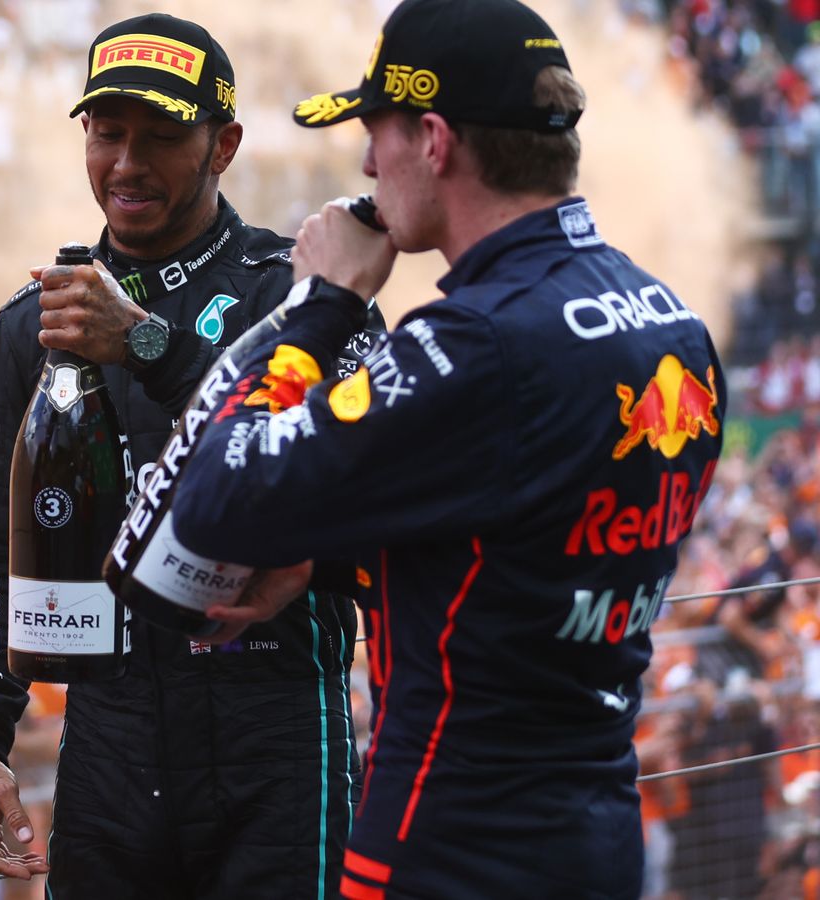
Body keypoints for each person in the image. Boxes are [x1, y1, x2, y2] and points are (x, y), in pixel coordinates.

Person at [168, 0, 726, 896]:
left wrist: (323, 308)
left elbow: (214, 502)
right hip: (597, 838)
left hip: (448, 848)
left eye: (373, 131)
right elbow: (517, 533)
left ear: (433, 140)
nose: (362, 163)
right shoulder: (674, 323)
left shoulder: (476, 344)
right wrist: (329, 553)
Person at [0, 14, 378, 898]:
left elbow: (363, 496)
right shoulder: (33, 324)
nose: (127, 164)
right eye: (107, 134)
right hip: (110, 739)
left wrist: (148, 346)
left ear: (223, 146)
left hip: (281, 733)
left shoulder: (305, 290)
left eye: (162, 136)